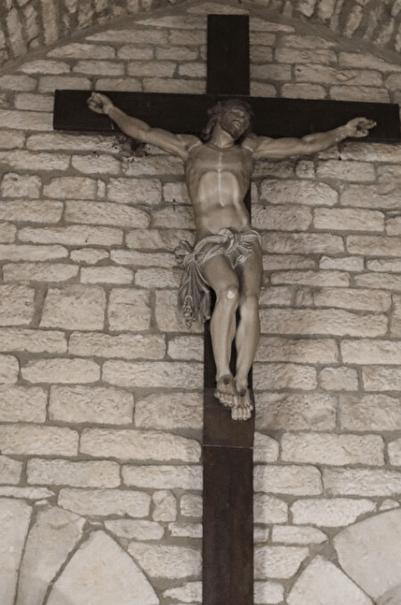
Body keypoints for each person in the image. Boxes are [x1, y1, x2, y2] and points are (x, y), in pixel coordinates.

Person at [88, 92, 375, 421]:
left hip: (245, 236)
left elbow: (304, 144)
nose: (240, 122)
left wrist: (344, 131)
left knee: (250, 301)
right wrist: (111, 109)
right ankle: (223, 373)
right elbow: (144, 131)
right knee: (228, 292)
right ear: (218, 115)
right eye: (236, 114)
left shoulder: (250, 150)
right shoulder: (191, 149)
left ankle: (242, 380)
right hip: (210, 238)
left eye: (245, 120)